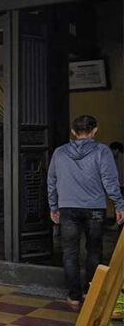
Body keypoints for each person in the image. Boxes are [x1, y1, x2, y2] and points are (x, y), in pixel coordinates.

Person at [47, 115, 124, 306]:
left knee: (70, 251)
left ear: (73, 132)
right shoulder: (102, 151)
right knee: (94, 250)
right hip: (95, 209)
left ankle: (74, 295)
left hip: (68, 208)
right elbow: (110, 181)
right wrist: (119, 205)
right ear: (95, 130)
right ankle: (91, 291)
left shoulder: (60, 152)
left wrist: (53, 206)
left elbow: (52, 182)